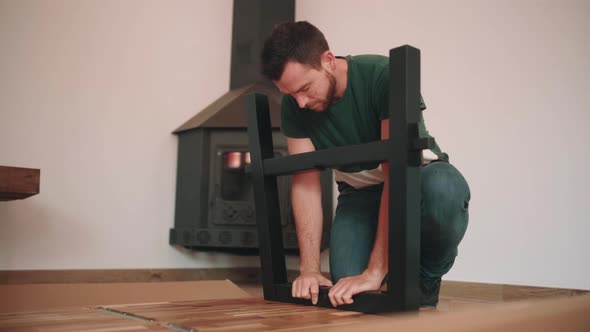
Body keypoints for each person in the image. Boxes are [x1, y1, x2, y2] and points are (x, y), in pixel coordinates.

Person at [260, 21, 470, 308]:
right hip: (358, 193)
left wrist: (375, 270)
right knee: (349, 288)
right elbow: (305, 185)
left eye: (306, 88)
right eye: (290, 94)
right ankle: (387, 276)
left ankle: (425, 278)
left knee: (443, 190)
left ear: (329, 61)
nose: (300, 103)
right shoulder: (296, 105)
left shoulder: (384, 75)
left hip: (415, 179)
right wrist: (309, 269)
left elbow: (394, 174)